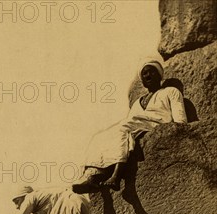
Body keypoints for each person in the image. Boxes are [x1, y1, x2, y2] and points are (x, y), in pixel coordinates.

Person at [73, 59, 188, 193]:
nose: (148, 75)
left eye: (152, 71)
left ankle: (115, 176)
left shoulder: (171, 92)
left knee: (122, 128)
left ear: (160, 75)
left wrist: (174, 130)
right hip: (136, 127)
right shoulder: (138, 102)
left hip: (157, 123)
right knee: (100, 136)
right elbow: (129, 126)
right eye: (144, 73)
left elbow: (181, 120)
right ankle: (92, 175)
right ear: (142, 79)